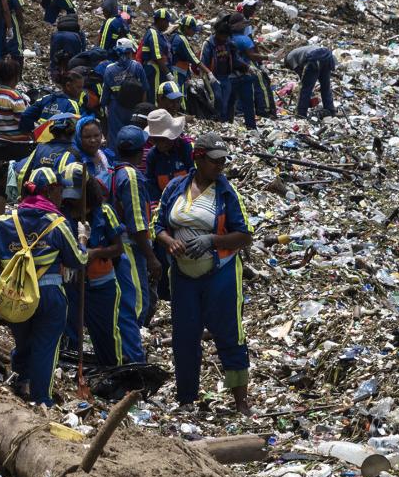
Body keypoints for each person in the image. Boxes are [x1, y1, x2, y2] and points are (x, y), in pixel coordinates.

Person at [156, 133, 256, 412]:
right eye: (214, 161)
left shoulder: (226, 193)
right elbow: (159, 224)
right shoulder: (176, 187)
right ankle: (187, 397)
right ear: (198, 159)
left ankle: (241, 401)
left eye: (223, 161)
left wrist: (212, 241)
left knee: (229, 333)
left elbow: (244, 234)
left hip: (220, 275)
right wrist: (170, 242)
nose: (220, 166)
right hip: (183, 275)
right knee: (185, 336)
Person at [0, 164, 86, 406]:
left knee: (23, 342)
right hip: (50, 294)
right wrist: (83, 240)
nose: (61, 196)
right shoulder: (57, 223)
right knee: (45, 347)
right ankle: (41, 399)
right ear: (51, 191)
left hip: (16, 294)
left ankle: (20, 380)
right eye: (59, 191)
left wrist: (3, 262)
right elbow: (77, 260)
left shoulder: (3, 223)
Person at [61, 164, 144, 368]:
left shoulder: (104, 212)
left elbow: (118, 248)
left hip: (102, 284)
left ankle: (114, 371)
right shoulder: (60, 214)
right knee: (70, 331)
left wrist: (96, 253)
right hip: (71, 284)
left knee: (106, 333)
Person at [109, 124, 159, 326]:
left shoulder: (115, 170)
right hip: (131, 246)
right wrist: (151, 258)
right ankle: (130, 353)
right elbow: (137, 224)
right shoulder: (130, 176)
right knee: (137, 305)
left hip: (124, 245)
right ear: (141, 151)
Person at [0, 55, 36, 213]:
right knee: (27, 182)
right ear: (15, 78)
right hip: (15, 149)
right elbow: (25, 126)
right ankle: (25, 215)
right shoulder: (16, 98)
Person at [97, 38, 153, 136]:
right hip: (134, 106)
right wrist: (142, 108)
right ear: (130, 52)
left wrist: (103, 107)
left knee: (116, 135)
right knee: (134, 134)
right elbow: (145, 89)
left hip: (116, 107)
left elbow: (105, 94)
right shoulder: (137, 66)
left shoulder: (109, 69)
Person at [144, 109, 196, 199]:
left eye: (164, 139)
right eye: (157, 140)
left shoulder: (186, 148)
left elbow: (195, 175)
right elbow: (151, 184)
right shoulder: (152, 156)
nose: (161, 144)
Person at [285, 44, 338, 117]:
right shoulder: (298, 52)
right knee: (325, 86)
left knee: (305, 88)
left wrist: (307, 88)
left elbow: (300, 72)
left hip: (314, 58)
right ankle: (330, 110)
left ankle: (301, 113)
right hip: (327, 56)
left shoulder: (289, 57)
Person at [48, 11, 87, 78]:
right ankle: (71, 76)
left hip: (57, 37)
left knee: (55, 59)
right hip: (73, 39)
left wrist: (52, 65)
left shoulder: (58, 30)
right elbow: (82, 48)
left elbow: (52, 51)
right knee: (74, 60)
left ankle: (54, 76)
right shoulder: (79, 31)